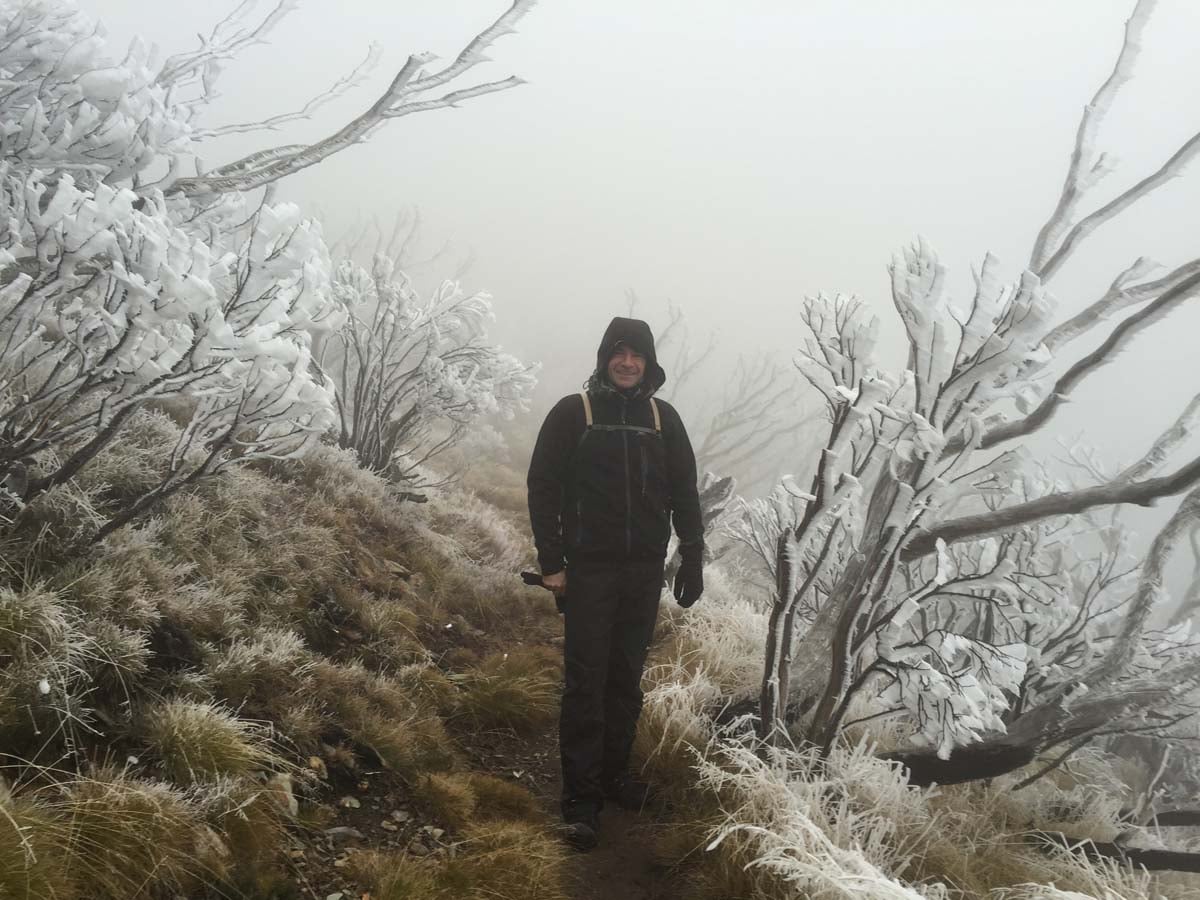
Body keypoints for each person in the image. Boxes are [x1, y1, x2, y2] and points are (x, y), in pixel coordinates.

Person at [526, 316, 704, 851]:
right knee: (586, 681)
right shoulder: (573, 412)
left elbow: (685, 490)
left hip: (643, 571)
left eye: (638, 356)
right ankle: (580, 800)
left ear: (649, 364)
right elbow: (543, 486)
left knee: (626, 678)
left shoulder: (661, 419)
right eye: (619, 354)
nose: (628, 364)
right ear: (605, 357)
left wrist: (692, 555)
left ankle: (613, 776)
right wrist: (552, 561)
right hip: (589, 570)